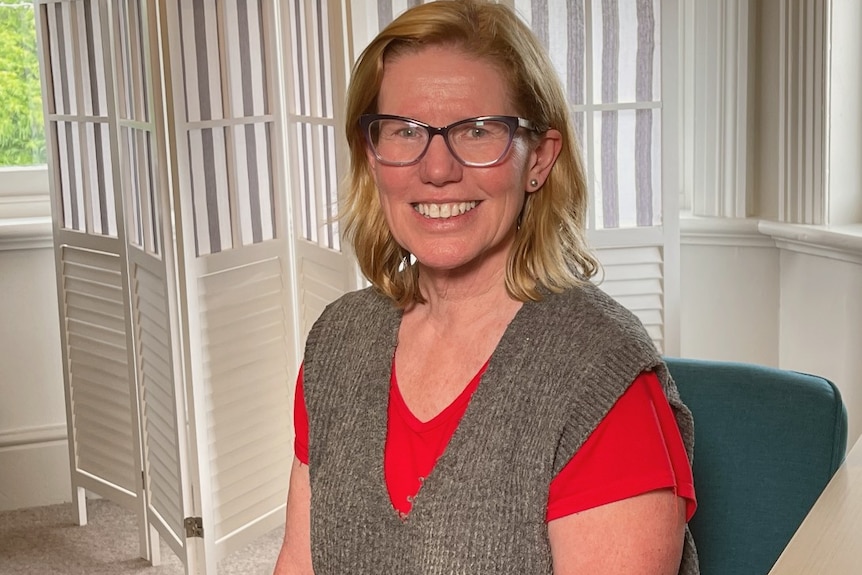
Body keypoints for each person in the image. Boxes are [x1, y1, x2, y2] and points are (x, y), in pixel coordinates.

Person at [274, 1, 699, 573]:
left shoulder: (602, 380)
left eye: (477, 131)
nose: (437, 169)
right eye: (404, 131)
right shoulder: (337, 341)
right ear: (372, 157)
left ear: (539, 161)